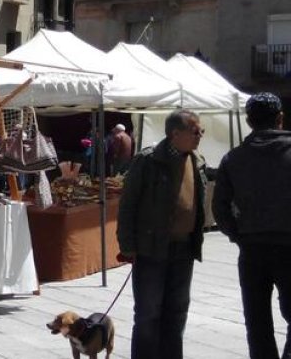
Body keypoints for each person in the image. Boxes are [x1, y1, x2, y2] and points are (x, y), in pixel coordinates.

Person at [117, 109, 207, 359]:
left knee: (177, 312)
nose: (200, 135)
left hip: (184, 249)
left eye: (201, 131)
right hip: (151, 248)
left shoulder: (196, 160)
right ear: (175, 134)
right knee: (148, 313)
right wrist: (128, 245)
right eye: (195, 131)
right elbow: (128, 205)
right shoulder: (148, 160)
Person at [213, 93, 291, 359]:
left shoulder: (233, 158)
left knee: (257, 322)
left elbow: (219, 208)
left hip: (252, 248)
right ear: (280, 118)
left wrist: (238, 235)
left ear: (248, 121)